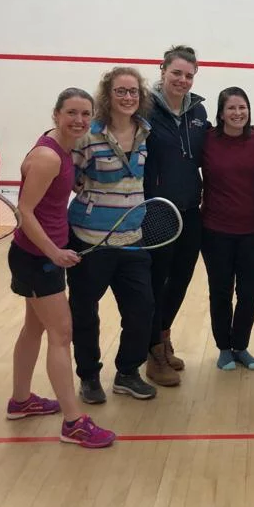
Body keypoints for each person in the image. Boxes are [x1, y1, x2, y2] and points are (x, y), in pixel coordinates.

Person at [6, 87, 116, 448]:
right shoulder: (49, 157)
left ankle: (20, 401)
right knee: (61, 334)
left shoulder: (62, 150)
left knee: (34, 328)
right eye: (71, 113)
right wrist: (54, 252)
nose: (79, 120)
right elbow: (25, 211)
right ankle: (73, 422)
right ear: (56, 114)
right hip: (38, 259)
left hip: (35, 255)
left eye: (86, 114)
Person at [67, 67, 158, 403]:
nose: (128, 97)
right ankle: (89, 376)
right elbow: (67, 175)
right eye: (120, 91)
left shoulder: (145, 132)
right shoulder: (88, 135)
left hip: (132, 239)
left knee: (142, 308)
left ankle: (127, 372)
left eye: (133, 91)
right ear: (108, 95)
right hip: (89, 240)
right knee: (85, 311)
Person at [143, 45, 210, 385]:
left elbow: (212, 145)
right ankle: (152, 351)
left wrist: (252, 137)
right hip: (156, 212)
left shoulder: (197, 112)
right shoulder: (144, 109)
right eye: (177, 73)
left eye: (189, 75)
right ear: (162, 70)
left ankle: (163, 336)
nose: (183, 80)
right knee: (156, 282)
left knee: (181, 279)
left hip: (190, 209)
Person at [200, 88, 254, 370]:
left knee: (250, 292)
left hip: (253, 230)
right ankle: (224, 348)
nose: (238, 113)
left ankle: (241, 345)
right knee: (221, 291)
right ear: (221, 112)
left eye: (243, 107)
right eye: (231, 108)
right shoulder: (206, 140)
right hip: (215, 230)